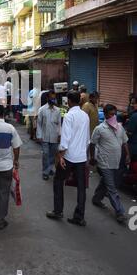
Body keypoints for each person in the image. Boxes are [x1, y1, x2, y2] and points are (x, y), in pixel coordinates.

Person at [46, 90, 90, 226]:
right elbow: (87, 139)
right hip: (81, 157)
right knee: (81, 187)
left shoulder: (69, 116)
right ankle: (79, 216)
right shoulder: (85, 116)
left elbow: (65, 140)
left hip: (69, 156)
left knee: (58, 181)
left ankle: (58, 211)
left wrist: (60, 156)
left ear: (69, 101)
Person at [90, 104, 129, 223]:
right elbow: (92, 144)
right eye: (111, 114)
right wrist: (92, 158)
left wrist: (127, 154)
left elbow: (124, 142)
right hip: (104, 162)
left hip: (116, 161)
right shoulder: (100, 129)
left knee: (105, 182)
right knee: (112, 188)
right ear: (106, 115)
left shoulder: (120, 128)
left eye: (114, 114)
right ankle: (120, 212)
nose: (113, 116)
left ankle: (96, 199)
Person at [37, 90, 61, 181]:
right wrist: (39, 135)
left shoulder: (58, 110)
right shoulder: (42, 109)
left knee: (52, 154)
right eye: (51, 98)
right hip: (44, 136)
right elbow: (39, 123)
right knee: (46, 154)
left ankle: (49, 168)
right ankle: (45, 172)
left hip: (54, 136)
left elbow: (59, 124)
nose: (53, 100)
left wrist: (59, 134)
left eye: (54, 98)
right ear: (47, 98)